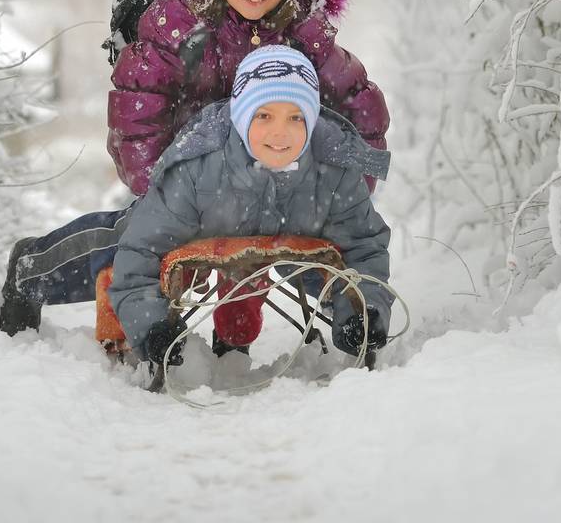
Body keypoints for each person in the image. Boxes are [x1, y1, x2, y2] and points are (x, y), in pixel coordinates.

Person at [0, 0, 389, 337]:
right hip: (188, 175)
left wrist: (348, 186)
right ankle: (35, 269)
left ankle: (351, 319)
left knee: (332, 234)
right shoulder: (180, 22)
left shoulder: (302, 29)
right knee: (133, 239)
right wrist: (163, 185)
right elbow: (137, 105)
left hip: (274, 173)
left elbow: (357, 103)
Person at [108, 45, 392, 370]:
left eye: (296, 117)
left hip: (276, 238)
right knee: (102, 248)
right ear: (242, 117)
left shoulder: (332, 171)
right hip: (191, 225)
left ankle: (235, 326)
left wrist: (363, 312)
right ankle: (39, 270)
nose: (280, 131)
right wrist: (153, 326)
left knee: (249, 281)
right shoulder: (196, 171)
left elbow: (365, 247)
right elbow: (141, 250)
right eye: (264, 115)